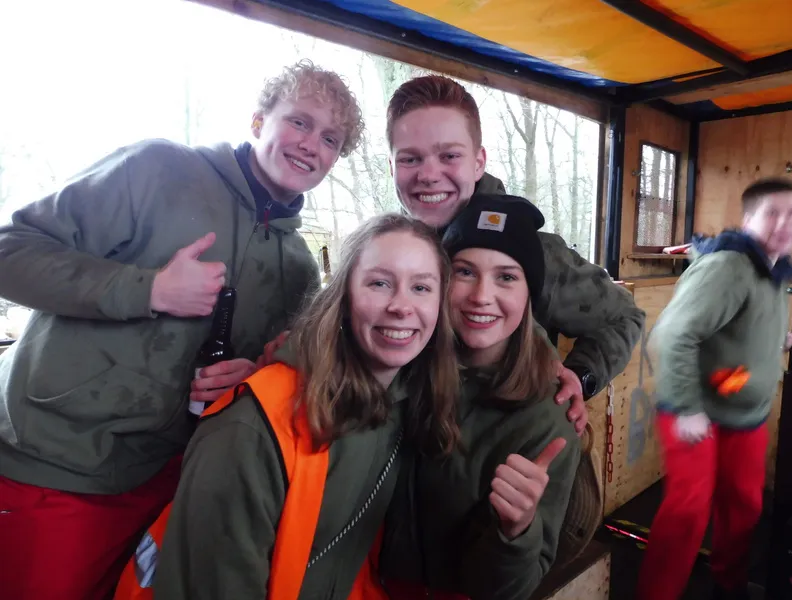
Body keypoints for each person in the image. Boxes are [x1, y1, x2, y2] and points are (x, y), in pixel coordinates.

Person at [0, 60, 364, 600]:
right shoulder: (158, 169)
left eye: (331, 139)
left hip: (172, 485)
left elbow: (255, 383)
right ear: (258, 121)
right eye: (299, 122)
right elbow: (11, 253)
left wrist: (247, 377)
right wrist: (147, 289)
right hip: (54, 467)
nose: (312, 144)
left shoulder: (300, 271)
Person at [138, 214, 461, 600]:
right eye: (379, 283)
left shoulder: (405, 403)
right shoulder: (249, 431)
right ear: (343, 298)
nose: (401, 306)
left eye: (421, 287)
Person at [385, 74, 646, 433]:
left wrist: (581, 375)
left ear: (478, 162)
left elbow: (624, 315)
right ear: (391, 166)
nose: (429, 174)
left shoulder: (534, 253)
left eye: (449, 155)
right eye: (410, 159)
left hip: (514, 450)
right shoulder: (389, 254)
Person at [380, 194, 582, 600]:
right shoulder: (402, 365)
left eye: (506, 277)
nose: (480, 296)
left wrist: (517, 530)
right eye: (464, 272)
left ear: (528, 295)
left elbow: (511, 590)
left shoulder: (548, 419)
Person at [636, 178, 792, 600]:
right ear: (748, 220)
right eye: (772, 213)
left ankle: (729, 587)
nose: (785, 223)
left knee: (743, 507)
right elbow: (672, 336)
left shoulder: (775, 270)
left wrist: (779, 342)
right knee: (688, 511)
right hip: (696, 411)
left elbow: (741, 327)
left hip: (745, 414)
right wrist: (687, 407)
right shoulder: (729, 267)